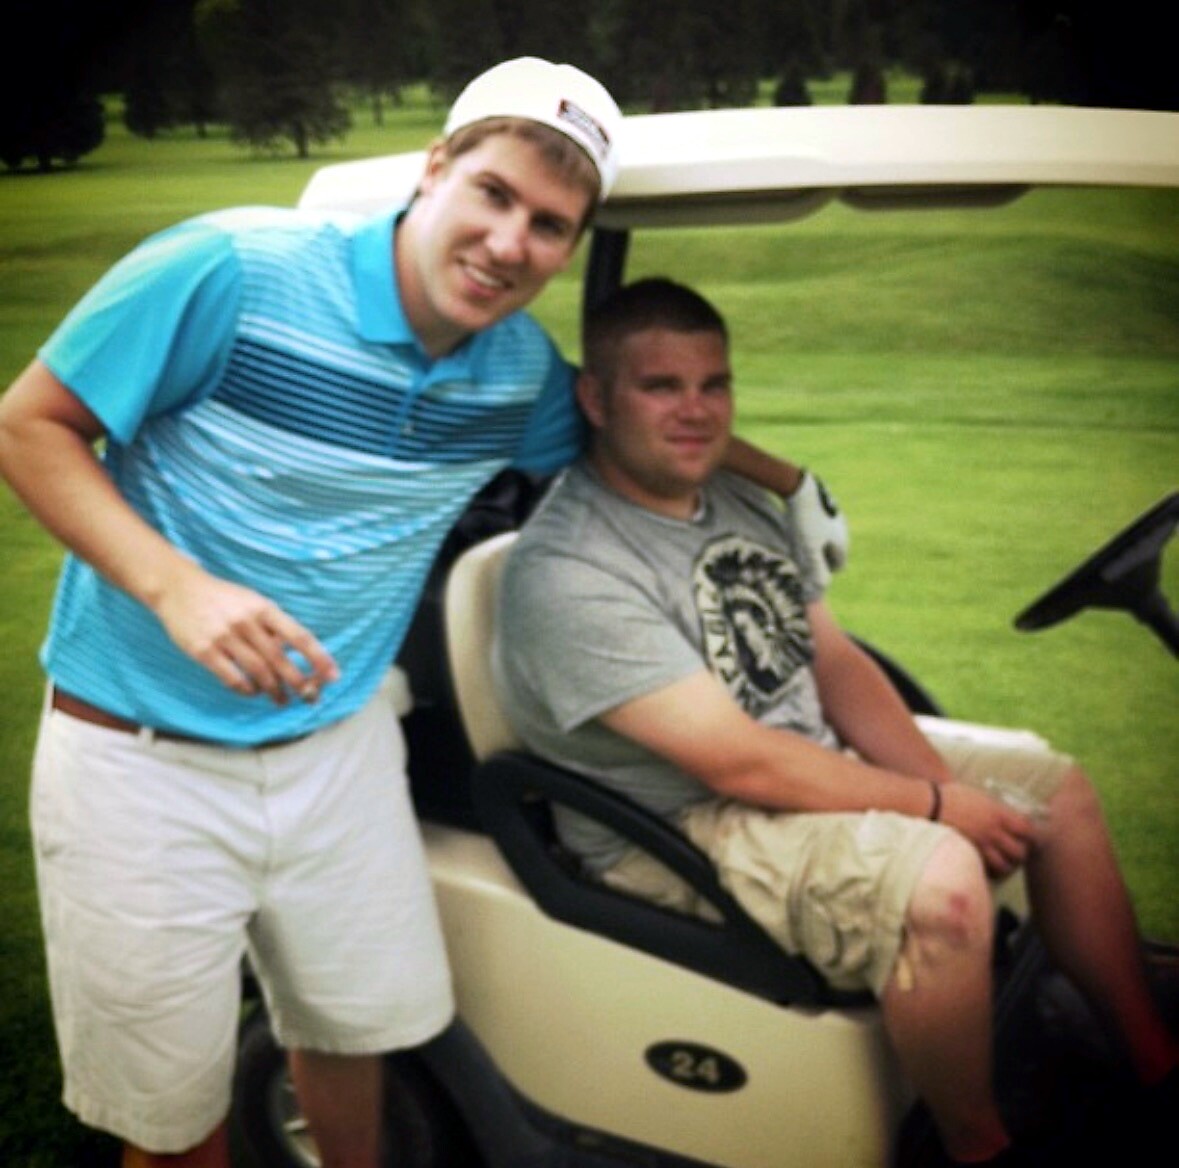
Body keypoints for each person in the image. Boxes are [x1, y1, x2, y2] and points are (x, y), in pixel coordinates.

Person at [0, 60, 842, 1168]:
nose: (509, 243)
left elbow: (636, 425)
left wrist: (789, 483)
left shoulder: (514, 374)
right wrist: (176, 586)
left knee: (357, 1036)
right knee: (174, 1123)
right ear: (436, 168)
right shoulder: (228, 270)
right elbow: (30, 426)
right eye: (494, 193)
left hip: (338, 749)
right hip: (141, 763)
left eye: (549, 224)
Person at [492, 277, 1178, 1167]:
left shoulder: (731, 500)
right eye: (662, 387)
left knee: (1056, 790)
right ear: (595, 398)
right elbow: (737, 764)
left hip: (791, 763)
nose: (696, 411)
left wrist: (939, 784)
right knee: (943, 886)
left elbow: (833, 662)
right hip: (682, 824)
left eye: (713, 384)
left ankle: (1151, 1063)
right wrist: (939, 812)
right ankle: (974, 1145)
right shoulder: (569, 573)